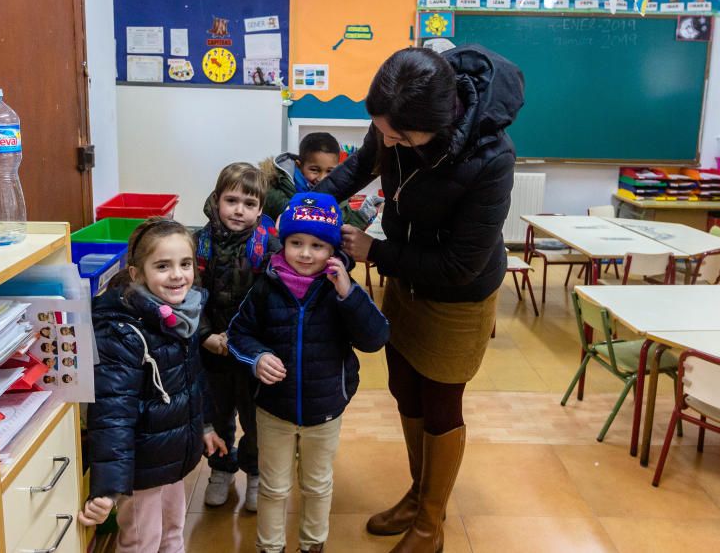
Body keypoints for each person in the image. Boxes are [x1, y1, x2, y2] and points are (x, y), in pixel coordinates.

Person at [317, 45, 523, 553]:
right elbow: (362, 165)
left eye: (399, 137)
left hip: (458, 297)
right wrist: (311, 202)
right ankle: (417, 495)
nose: (387, 141)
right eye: (383, 130)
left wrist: (374, 251)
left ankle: (431, 524)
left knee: (440, 400)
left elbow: (459, 266)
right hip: (404, 276)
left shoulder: (490, 158)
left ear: (438, 122)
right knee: (405, 386)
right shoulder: (395, 113)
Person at [228, 192, 389, 553]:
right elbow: (239, 334)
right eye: (296, 242)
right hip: (274, 410)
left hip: (326, 410)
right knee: (273, 486)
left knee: (317, 485)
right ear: (283, 243)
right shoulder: (265, 287)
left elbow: (375, 338)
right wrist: (257, 357)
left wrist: (348, 292)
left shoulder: (341, 289)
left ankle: (312, 544)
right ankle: (269, 546)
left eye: (317, 245)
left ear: (332, 251)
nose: (305, 253)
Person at [79, 217, 227, 553]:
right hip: (141, 466)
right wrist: (108, 487)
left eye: (185, 264)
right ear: (137, 274)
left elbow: (192, 381)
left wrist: (203, 426)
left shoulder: (181, 314)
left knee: (173, 532)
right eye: (163, 266)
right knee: (141, 541)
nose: (177, 275)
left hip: (173, 455)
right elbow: (111, 414)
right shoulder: (122, 331)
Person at [195, 162, 280, 512]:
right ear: (217, 201)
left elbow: (275, 302)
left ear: (260, 209)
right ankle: (221, 469)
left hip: (251, 354)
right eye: (232, 200)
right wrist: (205, 336)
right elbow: (188, 296)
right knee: (216, 415)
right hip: (211, 350)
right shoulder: (199, 243)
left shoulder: (268, 246)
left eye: (249, 204)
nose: (239, 210)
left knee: (256, 418)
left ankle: (256, 474)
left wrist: (250, 344)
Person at [261, 132, 377, 230]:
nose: (322, 178)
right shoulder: (275, 190)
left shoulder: (338, 189)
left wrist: (364, 214)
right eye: (314, 170)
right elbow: (303, 216)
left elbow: (345, 222)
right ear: (299, 165)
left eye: (330, 171)